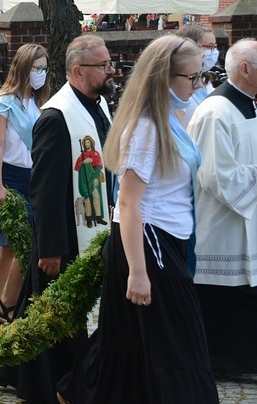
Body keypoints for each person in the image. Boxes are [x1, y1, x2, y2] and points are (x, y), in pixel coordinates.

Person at [56, 35, 218, 403]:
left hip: (167, 240)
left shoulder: (171, 118)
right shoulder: (146, 127)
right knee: (181, 344)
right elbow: (128, 204)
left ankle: (76, 391)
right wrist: (138, 271)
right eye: (191, 77)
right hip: (149, 243)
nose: (197, 85)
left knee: (127, 342)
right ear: (164, 77)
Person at [0, 34, 114, 402]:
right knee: (53, 314)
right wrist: (51, 247)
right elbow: (43, 189)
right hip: (64, 234)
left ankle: (17, 370)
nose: (110, 70)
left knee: (41, 307)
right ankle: (51, 383)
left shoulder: (99, 104)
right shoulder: (57, 117)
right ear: (78, 71)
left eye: (109, 63)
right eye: (103, 66)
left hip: (93, 221)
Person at [187, 38, 257, 374]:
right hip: (221, 225)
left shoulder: (249, 104)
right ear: (245, 69)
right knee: (223, 296)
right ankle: (220, 361)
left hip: (246, 220)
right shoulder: (216, 111)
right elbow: (217, 175)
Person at [0, 44, 50, 325]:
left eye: (44, 69)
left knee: (27, 246)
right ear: (23, 68)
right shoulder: (4, 103)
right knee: (8, 246)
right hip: (7, 177)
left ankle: (8, 304)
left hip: (30, 178)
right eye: (37, 68)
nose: (41, 74)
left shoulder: (35, 102)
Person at [177, 24, 219, 126]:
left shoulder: (205, 79)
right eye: (209, 46)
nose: (213, 52)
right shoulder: (178, 84)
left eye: (215, 46)